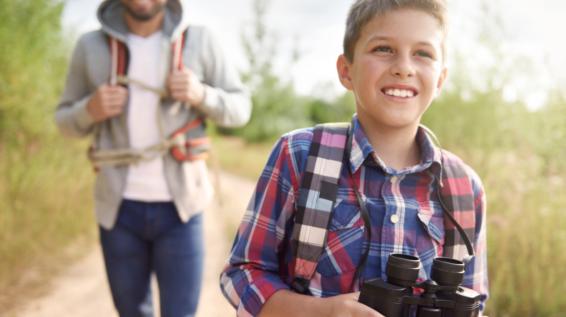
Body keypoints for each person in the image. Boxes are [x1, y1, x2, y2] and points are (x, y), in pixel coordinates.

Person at [219, 0, 488, 316]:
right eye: (383, 49)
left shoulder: (462, 188)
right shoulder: (301, 156)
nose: (404, 66)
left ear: (440, 80)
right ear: (346, 71)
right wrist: (321, 312)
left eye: (423, 53)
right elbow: (242, 273)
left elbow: (475, 299)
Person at [55, 0, 251, 316]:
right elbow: (64, 121)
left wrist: (201, 94)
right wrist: (89, 109)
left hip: (182, 211)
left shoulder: (200, 40)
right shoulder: (89, 46)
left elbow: (241, 109)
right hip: (118, 211)